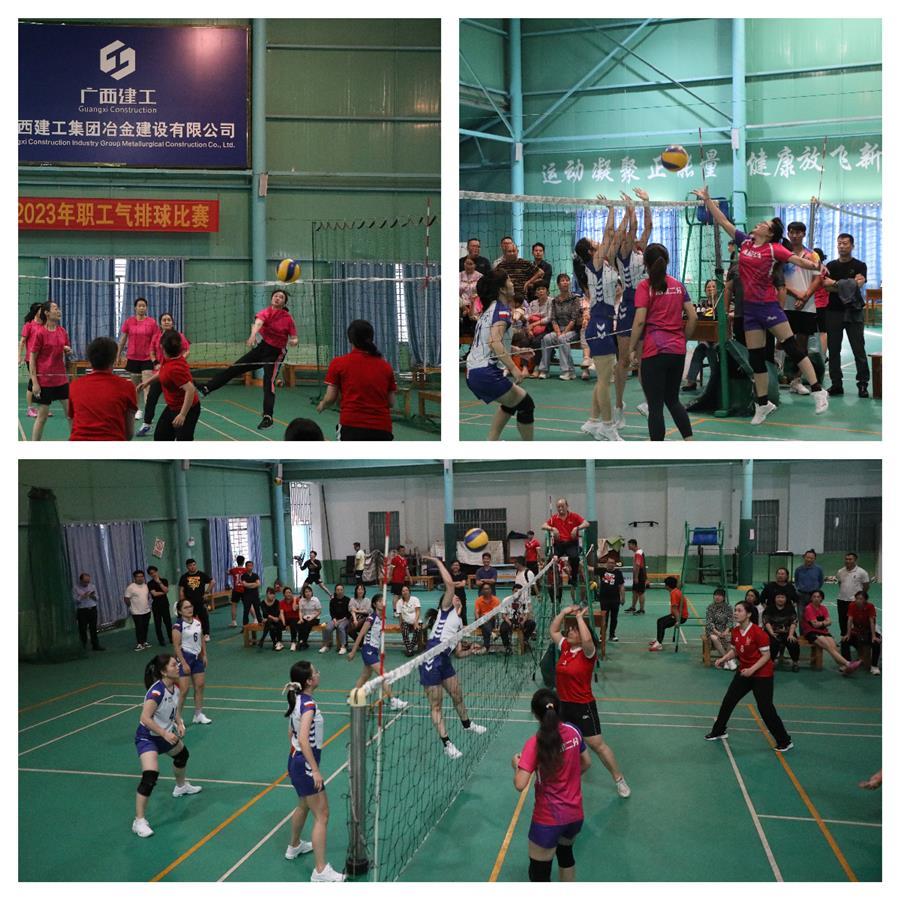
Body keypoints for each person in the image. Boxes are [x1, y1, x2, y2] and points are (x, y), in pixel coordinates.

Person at [692, 186, 828, 423]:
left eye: (764, 224)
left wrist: (817, 266)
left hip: (769, 307)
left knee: (792, 347)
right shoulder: (745, 243)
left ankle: (818, 390)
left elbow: (798, 260)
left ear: (770, 233)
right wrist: (707, 200)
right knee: (755, 358)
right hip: (750, 310)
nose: (759, 224)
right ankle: (763, 404)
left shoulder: (774, 249)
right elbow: (723, 221)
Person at [549, 605, 630, 797]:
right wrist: (563, 612)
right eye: (570, 629)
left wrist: (579, 618)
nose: (569, 631)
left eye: (574, 630)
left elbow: (587, 640)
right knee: (559, 743)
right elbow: (553, 630)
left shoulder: (588, 653)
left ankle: (619, 779)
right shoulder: (566, 648)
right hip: (563, 705)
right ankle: (561, 778)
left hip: (583, 706)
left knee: (597, 745)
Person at [513, 687, 591, 882]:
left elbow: (520, 784)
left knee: (539, 875)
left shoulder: (535, 743)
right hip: (575, 815)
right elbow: (586, 763)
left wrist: (516, 765)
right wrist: (567, 778)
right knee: (566, 856)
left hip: (548, 819)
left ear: (535, 714)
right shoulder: (574, 731)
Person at [283, 661, 346, 881]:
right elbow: (302, 738)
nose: (319, 674)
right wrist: (315, 770)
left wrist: (296, 761)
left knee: (303, 804)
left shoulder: (297, 699)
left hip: (296, 761)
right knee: (322, 814)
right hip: (306, 765)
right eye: (315, 672)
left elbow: (291, 732)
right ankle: (320, 871)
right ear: (309, 681)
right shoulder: (308, 705)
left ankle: (294, 846)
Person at [418, 557, 487, 758]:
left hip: (445, 659)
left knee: (457, 694)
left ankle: (467, 724)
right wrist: (437, 562)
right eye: (454, 596)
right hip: (432, 657)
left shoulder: (458, 623)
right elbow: (449, 584)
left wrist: (472, 650)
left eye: (457, 596)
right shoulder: (446, 610)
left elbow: (458, 653)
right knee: (436, 705)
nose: (456, 597)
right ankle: (447, 744)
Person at [200, 287, 298, 429]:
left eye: (281, 297)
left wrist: (294, 341)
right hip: (262, 348)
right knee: (235, 368)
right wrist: (252, 335)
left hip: (276, 353)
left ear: (284, 303)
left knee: (268, 381)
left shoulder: (288, 318)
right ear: (272, 298)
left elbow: (294, 337)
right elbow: (258, 322)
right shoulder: (266, 312)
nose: (277, 298)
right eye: (276, 296)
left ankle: (268, 417)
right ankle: (207, 388)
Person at [628, 243, 696, 441]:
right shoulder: (678, 285)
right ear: (666, 261)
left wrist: (631, 348)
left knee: (655, 406)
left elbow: (640, 320)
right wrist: (683, 340)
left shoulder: (645, 287)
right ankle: (690, 441)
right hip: (677, 351)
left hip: (655, 351)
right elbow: (693, 317)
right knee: (673, 400)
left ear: (646, 264)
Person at [704, 600, 793, 751]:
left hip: (762, 674)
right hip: (744, 672)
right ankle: (719, 731)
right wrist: (723, 659)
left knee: (765, 708)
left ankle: (785, 741)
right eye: (735, 610)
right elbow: (735, 650)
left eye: (739, 610)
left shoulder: (758, 632)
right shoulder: (735, 631)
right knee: (729, 700)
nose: (735, 613)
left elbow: (766, 656)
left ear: (749, 614)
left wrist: (752, 670)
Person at [132, 654, 201, 838]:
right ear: (163, 671)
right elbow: (145, 718)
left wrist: (179, 723)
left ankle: (181, 787)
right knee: (150, 776)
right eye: (173, 665)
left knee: (182, 755)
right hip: (148, 737)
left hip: (165, 735)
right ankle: (139, 821)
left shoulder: (175, 688)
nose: (177, 666)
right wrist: (164, 733)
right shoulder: (156, 692)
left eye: (177, 663)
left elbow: (174, 710)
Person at [465, 269, 535, 441]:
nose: (512, 283)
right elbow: (494, 342)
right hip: (485, 373)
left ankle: (492, 441)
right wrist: (514, 368)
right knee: (526, 404)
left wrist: (517, 351)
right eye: (509, 280)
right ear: (502, 289)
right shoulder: (501, 311)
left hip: (474, 372)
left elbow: (490, 342)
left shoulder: (489, 310)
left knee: (512, 402)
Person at [574, 201, 622, 441]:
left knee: (603, 377)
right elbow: (607, 234)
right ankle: (608, 426)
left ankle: (593, 421)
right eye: (594, 243)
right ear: (590, 251)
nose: (598, 243)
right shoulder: (593, 265)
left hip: (603, 323)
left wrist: (628, 211)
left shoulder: (604, 264)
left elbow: (613, 236)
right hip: (600, 325)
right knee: (605, 380)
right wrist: (611, 210)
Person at [317, 319, 398, 443]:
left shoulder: (339, 363)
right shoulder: (386, 367)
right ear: (371, 338)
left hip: (351, 427)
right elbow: (391, 402)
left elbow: (330, 398)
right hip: (382, 429)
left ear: (350, 340)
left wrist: (322, 404)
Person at [612, 189, 652, 426]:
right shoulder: (624, 253)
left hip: (646, 305)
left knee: (645, 359)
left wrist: (646, 202)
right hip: (628, 306)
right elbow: (635, 226)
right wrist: (630, 208)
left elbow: (648, 226)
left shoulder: (641, 249)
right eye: (630, 236)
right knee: (625, 360)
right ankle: (618, 406)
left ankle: (647, 402)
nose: (635, 237)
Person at [822, 232, 869, 397]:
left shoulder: (860, 265)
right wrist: (849, 284)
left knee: (859, 349)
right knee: (834, 350)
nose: (841, 246)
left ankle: (863, 384)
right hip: (833, 311)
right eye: (839, 243)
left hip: (854, 311)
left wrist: (836, 283)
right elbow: (826, 286)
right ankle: (836, 384)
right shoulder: (831, 265)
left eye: (845, 243)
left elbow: (859, 285)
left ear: (852, 246)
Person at [68, 336, 138, 440]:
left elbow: (73, 422)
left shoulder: (74, 386)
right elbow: (129, 433)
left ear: (90, 360)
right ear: (113, 360)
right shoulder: (127, 386)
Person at [782, 221, 823, 396]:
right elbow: (778, 279)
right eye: (791, 232)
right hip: (785, 304)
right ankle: (783, 375)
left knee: (802, 345)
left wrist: (805, 297)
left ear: (804, 234)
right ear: (788, 234)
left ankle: (797, 380)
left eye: (798, 232)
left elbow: (818, 279)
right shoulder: (783, 254)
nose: (794, 235)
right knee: (784, 343)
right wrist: (795, 294)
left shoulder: (812, 255)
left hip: (806, 306)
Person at [347, 593, 408, 709]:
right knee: (383, 675)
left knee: (365, 676)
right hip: (368, 650)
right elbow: (360, 635)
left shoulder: (382, 619)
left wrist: (381, 651)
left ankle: (353, 697)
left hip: (374, 650)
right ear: (375, 604)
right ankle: (393, 701)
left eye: (383, 601)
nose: (382, 603)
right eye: (379, 601)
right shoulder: (371, 618)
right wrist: (353, 652)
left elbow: (379, 637)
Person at [139, 312, 190, 436]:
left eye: (169, 320)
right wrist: (155, 362)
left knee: (178, 399)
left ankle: (181, 423)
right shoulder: (156, 337)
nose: (166, 322)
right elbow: (152, 352)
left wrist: (177, 361)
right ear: (160, 323)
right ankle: (146, 424)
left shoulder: (179, 336)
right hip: (159, 374)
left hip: (174, 374)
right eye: (164, 320)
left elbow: (186, 350)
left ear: (172, 322)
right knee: (151, 398)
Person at [29, 301, 71, 441]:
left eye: (58, 308)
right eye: (55, 308)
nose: (58, 311)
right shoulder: (40, 333)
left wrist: (67, 350)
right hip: (44, 381)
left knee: (70, 414)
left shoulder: (62, 331)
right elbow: (32, 358)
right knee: (42, 417)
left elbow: (66, 348)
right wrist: (35, 382)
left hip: (60, 379)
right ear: (47, 313)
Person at [148, 329, 201, 441]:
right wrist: (147, 382)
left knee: (184, 441)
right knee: (161, 437)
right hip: (173, 406)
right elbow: (162, 371)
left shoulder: (175, 369)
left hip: (187, 409)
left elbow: (190, 390)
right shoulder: (169, 359)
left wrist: (182, 415)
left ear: (162, 347)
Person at [117, 297, 160, 422]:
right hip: (133, 358)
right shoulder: (129, 322)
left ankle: (148, 413)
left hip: (147, 358)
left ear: (146, 308)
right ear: (135, 308)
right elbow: (123, 339)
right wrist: (118, 355)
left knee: (147, 386)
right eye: (139, 306)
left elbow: (156, 341)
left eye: (144, 306)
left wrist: (156, 358)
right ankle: (137, 410)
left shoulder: (152, 323)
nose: (141, 308)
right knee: (135, 387)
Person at [800, 589, 861, 675]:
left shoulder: (823, 608)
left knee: (834, 647)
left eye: (818, 597)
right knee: (829, 647)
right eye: (814, 597)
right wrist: (824, 622)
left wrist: (821, 623)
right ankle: (848, 663)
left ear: (822, 598)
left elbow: (829, 622)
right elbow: (815, 625)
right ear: (811, 598)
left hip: (823, 631)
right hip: (811, 632)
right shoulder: (808, 608)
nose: (816, 599)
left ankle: (843, 667)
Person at [172, 599, 211, 724]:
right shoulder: (178, 626)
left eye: (190, 606)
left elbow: (201, 638)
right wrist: (183, 663)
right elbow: (176, 646)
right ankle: (176, 718)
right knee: (184, 690)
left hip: (197, 657)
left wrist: (204, 654)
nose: (189, 609)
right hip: (185, 658)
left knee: (199, 686)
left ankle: (198, 714)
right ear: (179, 611)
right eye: (186, 607)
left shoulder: (197, 622)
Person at [537, 275, 581, 381]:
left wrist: (563, 332)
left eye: (567, 280)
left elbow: (574, 319)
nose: (565, 282)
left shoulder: (575, 299)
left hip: (573, 330)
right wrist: (557, 331)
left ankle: (568, 371)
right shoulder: (555, 300)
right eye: (563, 281)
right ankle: (544, 370)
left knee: (562, 339)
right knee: (546, 338)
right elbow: (553, 319)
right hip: (558, 329)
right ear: (558, 284)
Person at [543, 499, 587, 589]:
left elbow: (586, 523)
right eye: (558, 507)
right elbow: (543, 526)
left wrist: (577, 528)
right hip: (558, 544)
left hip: (571, 543)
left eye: (562, 506)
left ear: (567, 506)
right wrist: (552, 528)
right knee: (552, 559)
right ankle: (553, 583)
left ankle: (573, 578)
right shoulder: (554, 518)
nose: (560, 508)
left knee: (575, 558)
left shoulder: (574, 516)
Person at [682, 280, 716, 391]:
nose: (711, 289)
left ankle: (715, 381)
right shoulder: (702, 304)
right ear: (705, 290)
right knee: (700, 350)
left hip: (719, 339)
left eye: (713, 286)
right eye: (708, 287)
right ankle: (691, 382)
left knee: (712, 350)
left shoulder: (722, 303)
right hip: (706, 339)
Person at [841, 590, 881, 676]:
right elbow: (850, 620)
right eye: (857, 598)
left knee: (876, 643)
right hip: (856, 631)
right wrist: (848, 634)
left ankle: (874, 666)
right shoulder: (852, 605)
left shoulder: (870, 606)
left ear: (865, 600)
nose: (858, 600)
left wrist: (874, 636)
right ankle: (847, 663)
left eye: (861, 599)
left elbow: (872, 622)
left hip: (868, 630)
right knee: (844, 641)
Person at [501, 560, 537, 653]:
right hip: (510, 619)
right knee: (503, 628)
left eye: (519, 591)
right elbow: (503, 615)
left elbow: (526, 614)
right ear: (512, 591)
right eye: (515, 591)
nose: (517, 593)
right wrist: (510, 623)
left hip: (520, 619)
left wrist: (523, 622)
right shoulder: (506, 600)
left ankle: (524, 639)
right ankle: (507, 646)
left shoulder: (524, 601)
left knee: (532, 623)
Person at [19, 302, 47, 419]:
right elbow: (22, 341)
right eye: (41, 309)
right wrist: (19, 356)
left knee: (43, 383)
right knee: (32, 383)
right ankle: (30, 409)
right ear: (36, 311)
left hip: (43, 359)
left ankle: (42, 409)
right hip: (31, 359)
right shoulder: (29, 325)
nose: (43, 311)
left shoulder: (44, 324)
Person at [648, 576, 688, 651]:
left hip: (681, 616)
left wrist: (678, 621)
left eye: (665, 584)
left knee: (661, 623)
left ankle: (659, 644)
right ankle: (659, 639)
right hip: (678, 615)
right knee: (661, 622)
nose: (664, 585)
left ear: (667, 586)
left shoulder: (674, 593)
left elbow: (675, 609)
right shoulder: (676, 590)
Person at [762, 591, 800, 672]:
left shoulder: (790, 609)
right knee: (773, 643)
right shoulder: (769, 608)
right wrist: (772, 633)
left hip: (787, 632)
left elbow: (794, 622)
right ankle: (770, 662)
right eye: (778, 597)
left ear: (786, 599)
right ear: (775, 599)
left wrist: (791, 635)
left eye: (782, 597)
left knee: (793, 642)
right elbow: (766, 622)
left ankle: (795, 663)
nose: (780, 599)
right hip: (772, 632)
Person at [835, 552, 870, 639]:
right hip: (841, 599)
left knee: (857, 621)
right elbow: (840, 583)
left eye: (850, 559)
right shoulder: (840, 571)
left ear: (855, 560)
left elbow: (866, 586)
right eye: (846, 559)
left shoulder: (862, 572)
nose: (848, 561)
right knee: (842, 620)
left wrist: (860, 598)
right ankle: (844, 638)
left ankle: (857, 639)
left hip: (855, 601)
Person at [178, 560, 214, 642]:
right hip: (189, 602)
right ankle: (190, 634)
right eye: (190, 565)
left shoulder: (202, 574)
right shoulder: (184, 577)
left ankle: (206, 634)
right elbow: (181, 590)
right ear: (187, 567)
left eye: (194, 565)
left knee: (204, 618)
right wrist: (182, 601)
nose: (192, 567)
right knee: (189, 619)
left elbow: (212, 582)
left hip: (200, 601)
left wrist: (207, 592)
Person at [72, 572, 104, 651]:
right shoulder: (75, 588)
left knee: (93, 628)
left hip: (92, 609)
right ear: (80, 580)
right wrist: (82, 596)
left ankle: (95, 645)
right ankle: (83, 646)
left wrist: (93, 596)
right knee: (82, 629)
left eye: (88, 581)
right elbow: (74, 600)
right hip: (82, 611)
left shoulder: (92, 586)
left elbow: (97, 598)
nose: (87, 583)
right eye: (85, 582)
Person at [596, 556, 625, 643]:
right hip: (604, 599)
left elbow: (621, 586)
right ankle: (602, 635)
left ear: (615, 564)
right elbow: (589, 569)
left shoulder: (618, 573)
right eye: (609, 562)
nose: (610, 564)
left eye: (612, 563)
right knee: (604, 618)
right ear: (606, 563)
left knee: (614, 618)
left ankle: (612, 635)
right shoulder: (602, 571)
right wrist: (582, 562)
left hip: (615, 599)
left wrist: (622, 597)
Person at [704, 588, 735, 669]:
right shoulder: (710, 607)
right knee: (714, 638)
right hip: (712, 630)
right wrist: (717, 632)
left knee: (731, 637)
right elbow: (709, 622)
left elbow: (730, 620)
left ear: (724, 597)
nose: (717, 597)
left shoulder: (728, 607)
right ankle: (727, 660)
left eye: (720, 595)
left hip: (725, 630)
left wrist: (726, 631)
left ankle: (725, 661)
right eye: (716, 595)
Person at [124, 570, 152, 651]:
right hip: (136, 612)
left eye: (142, 576)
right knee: (139, 628)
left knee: (145, 627)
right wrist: (131, 607)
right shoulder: (131, 587)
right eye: (138, 576)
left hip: (147, 611)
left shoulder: (146, 586)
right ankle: (139, 644)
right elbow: (126, 598)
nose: (140, 578)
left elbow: (147, 597)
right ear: (134, 578)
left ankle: (144, 642)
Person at [147, 565, 172, 647]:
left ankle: (171, 638)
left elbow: (166, 590)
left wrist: (159, 582)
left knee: (168, 622)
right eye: (151, 573)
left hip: (165, 604)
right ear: (149, 575)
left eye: (154, 572)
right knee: (158, 624)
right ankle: (161, 640)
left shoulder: (164, 580)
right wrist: (164, 592)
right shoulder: (150, 583)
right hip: (156, 606)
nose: (153, 574)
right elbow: (154, 594)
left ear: (157, 571)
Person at [794, 549, 824, 619]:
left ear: (814, 559)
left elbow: (821, 581)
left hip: (814, 596)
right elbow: (796, 581)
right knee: (801, 616)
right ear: (804, 557)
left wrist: (815, 591)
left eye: (811, 558)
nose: (809, 559)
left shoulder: (819, 569)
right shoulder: (798, 569)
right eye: (807, 557)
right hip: (801, 596)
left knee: (814, 616)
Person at [321, 583, 350, 654]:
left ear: (343, 590)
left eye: (341, 590)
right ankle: (326, 645)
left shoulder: (347, 600)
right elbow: (332, 612)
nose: (339, 591)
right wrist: (334, 620)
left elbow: (348, 613)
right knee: (327, 628)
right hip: (335, 619)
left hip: (345, 619)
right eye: (338, 590)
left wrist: (340, 621)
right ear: (335, 591)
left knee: (341, 627)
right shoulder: (333, 600)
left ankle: (343, 647)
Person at [395, 585, 423, 657]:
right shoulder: (399, 602)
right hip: (406, 622)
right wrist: (400, 625)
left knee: (417, 631)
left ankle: (410, 649)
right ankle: (410, 649)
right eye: (403, 591)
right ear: (401, 593)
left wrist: (415, 622)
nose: (405, 592)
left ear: (409, 591)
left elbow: (418, 611)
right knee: (404, 631)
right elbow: (400, 616)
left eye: (406, 590)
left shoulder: (415, 599)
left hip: (417, 621)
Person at [475, 583, 501, 652]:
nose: (486, 590)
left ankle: (486, 646)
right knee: (485, 624)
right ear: (482, 591)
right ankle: (491, 634)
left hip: (491, 619)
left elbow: (495, 614)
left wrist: (487, 619)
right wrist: (479, 620)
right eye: (484, 589)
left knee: (486, 626)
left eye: (488, 589)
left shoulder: (496, 600)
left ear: (491, 590)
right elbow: (476, 612)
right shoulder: (478, 600)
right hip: (481, 619)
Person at [297, 584, 323, 650]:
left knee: (307, 625)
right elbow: (300, 611)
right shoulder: (301, 600)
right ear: (304, 593)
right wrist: (300, 619)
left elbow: (319, 611)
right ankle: (302, 642)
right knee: (300, 624)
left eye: (309, 591)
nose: (308, 593)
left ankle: (302, 641)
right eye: (306, 592)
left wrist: (312, 617)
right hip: (305, 617)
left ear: (311, 592)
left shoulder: (315, 600)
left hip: (315, 618)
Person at [625, 539, 647, 614]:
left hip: (639, 574)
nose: (628, 546)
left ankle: (641, 609)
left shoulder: (638, 553)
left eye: (629, 545)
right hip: (638, 574)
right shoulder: (638, 552)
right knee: (634, 591)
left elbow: (638, 565)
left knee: (640, 592)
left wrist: (636, 577)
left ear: (634, 545)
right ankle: (633, 607)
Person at [347, 583, 371, 647]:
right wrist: (355, 620)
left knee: (365, 626)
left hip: (365, 619)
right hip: (354, 618)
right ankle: (361, 643)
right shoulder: (352, 600)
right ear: (356, 591)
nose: (360, 591)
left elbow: (367, 611)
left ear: (364, 591)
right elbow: (352, 611)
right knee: (349, 631)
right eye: (359, 589)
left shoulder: (367, 600)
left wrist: (357, 611)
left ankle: (360, 643)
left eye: (362, 589)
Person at [240, 560, 262, 630]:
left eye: (251, 566)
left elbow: (258, 584)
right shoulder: (243, 576)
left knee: (257, 610)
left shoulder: (255, 575)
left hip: (255, 596)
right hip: (246, 596)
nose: (250, 567)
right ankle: (244, 627)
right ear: (246, 567)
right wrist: (254, 584)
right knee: (246, 611)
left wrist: (249, 585)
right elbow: (245, 585)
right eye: (248, 566)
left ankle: (260, 624)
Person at [227, 555, 247, 629]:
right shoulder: (246, 570)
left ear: (236, 561)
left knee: (234, 605)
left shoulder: (233, 570)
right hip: (244, 589)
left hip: (236, 590)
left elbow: (227, 572)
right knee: (248, 605)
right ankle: (255, 619)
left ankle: (234, 621)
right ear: (243, 562)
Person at [280, 587, 302, 652]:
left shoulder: (297, 600)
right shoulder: (282, 602)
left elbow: (294, 609)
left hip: (295, 618)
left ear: (292, 593)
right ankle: (278, 642)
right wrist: (284, 623)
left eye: (289, 592)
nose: (288, 594)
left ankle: (293, 642)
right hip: (287, 619)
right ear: (284, 594)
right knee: (278, 623)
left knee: (293, 623)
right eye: (286, 593)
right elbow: (281, 613)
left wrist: (294, 599)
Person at [449, 560, 469, 625]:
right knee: (451, 613)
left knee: (463, 613)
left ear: (459, 566)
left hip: (461, 597)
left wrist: (452, 584)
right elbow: (448, 584)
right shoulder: (448, 574)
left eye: (457, 565)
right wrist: (458, 582)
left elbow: (463, 584)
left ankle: (465, 627)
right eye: (454, 565)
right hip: (451, 597)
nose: (455, 566)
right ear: (451, 566)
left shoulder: (463, 574)